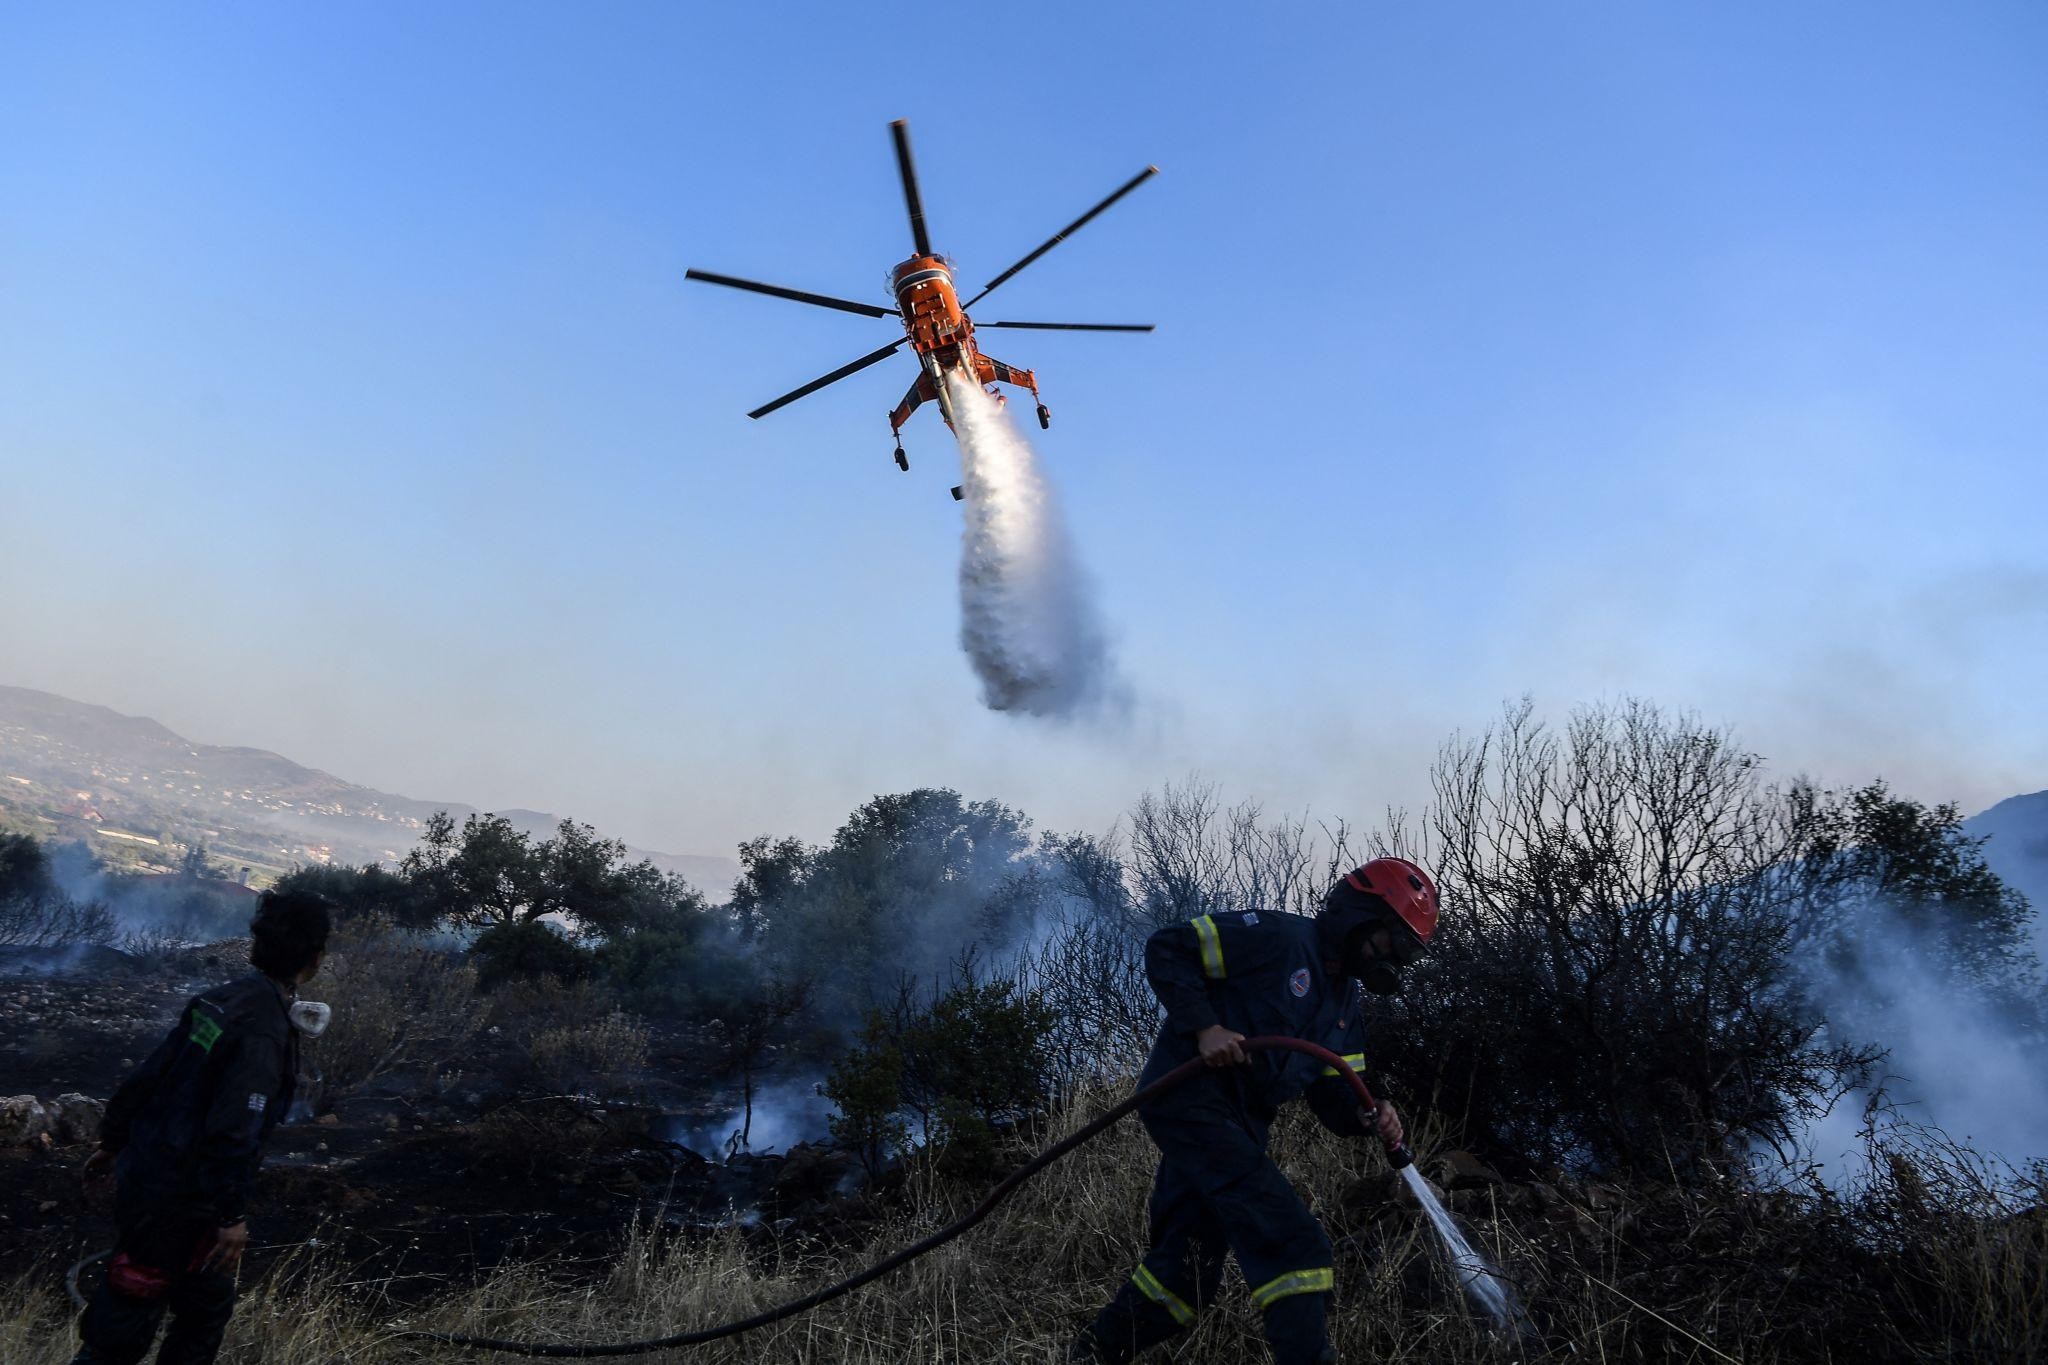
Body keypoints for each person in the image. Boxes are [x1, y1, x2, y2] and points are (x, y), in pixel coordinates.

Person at [1067, 858, 1440, 1365]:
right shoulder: (1278, 939)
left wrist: (1366, 1115)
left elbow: (1335, 1095)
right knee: (1295, 1246)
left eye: (1403, 954)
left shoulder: (1344, 1006)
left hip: (1240, 1127)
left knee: (1184, 1276)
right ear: (1359, 916)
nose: (1390, 961)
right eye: (1389, 942)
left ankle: (1090, 1354)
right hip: (1190, 1102)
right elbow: (1169, 947)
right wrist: (1204, 1028)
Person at [70, 888, 334, 1365]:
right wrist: (230, 1216)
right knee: (132, 1308)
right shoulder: (261, 1030)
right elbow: (233, 1130)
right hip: (181, 1199)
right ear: (315, 959)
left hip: (150, 1174)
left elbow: (151, 1073)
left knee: (206, 1304)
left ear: (257, 946)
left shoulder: (220, 1001)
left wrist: (113, 1141)